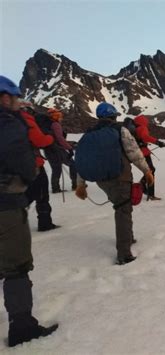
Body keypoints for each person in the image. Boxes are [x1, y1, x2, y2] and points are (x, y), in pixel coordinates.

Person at [0, 75, 58, 347]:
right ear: (4, 97)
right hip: (6, 205)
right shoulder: (9, 124)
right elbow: (24, 163)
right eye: (13, 97)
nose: (17, 103)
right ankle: (22, 326)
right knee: (16, 265)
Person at [75, 102, 154, 265]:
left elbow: (82, 160)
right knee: (123, 210)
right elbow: (134, 152)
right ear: (113, 116)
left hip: (102, 180)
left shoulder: (88, 135)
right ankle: (124, 253)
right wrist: (147, 171)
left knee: (122, 207)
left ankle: (129, 237)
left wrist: (80, 184)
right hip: (120, 176)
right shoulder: (120, 130)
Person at [19, 102, 58, 231]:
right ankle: (45, 222)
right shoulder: (27, 120)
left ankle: (11, 219)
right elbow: (39, 140)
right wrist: (50, 138)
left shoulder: (9, 120)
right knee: (41, 193)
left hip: (16, 165)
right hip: (33, 163)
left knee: (25, 192)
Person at [40, 108, 77, 193]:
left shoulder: (47, 125)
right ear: (55, 116)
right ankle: (75, 185)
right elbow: (60, 138)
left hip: (48, 150)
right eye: (59, 116)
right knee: (73, 164)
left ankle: (55, 188)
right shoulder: (55, 125)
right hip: (57, 150)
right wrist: (69, 148)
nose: (61, 118)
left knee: (56, 169)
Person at [133, 115, 165, 200]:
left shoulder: (135, 128)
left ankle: (144, 185)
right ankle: (148, 192)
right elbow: (145, 137)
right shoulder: (142, 128)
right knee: (150, 171)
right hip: (143, 153)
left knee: (150, 170)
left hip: (137, 152)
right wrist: (158, 142)